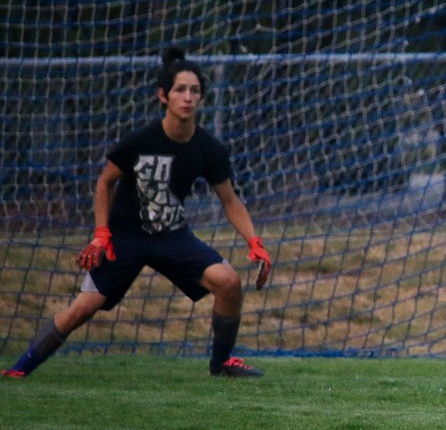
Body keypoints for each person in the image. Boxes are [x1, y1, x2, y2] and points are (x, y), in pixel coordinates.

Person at [3, 47, 272, 379]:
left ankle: (222, 363)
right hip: (125, 238)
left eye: (195, 90)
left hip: (173, 236)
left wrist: (254, 241)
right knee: (83, 308)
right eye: (180, 90)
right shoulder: (139, 140)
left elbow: (230, 201)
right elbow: (104, 184)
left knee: (229, 282)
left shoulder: (210, 148)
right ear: (164, 95)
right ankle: (19, 369)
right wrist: (102, 234)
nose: (188, 97)